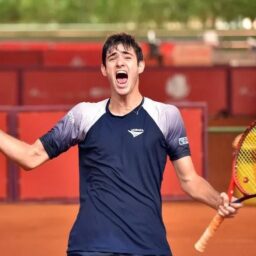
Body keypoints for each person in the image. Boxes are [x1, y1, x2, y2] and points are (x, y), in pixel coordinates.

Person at [0, 33, 242, 256]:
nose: (119, 62)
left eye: (127, 57)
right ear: (104, 69)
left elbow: (190, 180)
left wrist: (216, 200)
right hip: (91, 247)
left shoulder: (167, 116)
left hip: (148, 246)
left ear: (140, 66)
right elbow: (31, 156)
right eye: (112, 58)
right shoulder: (84, 115)